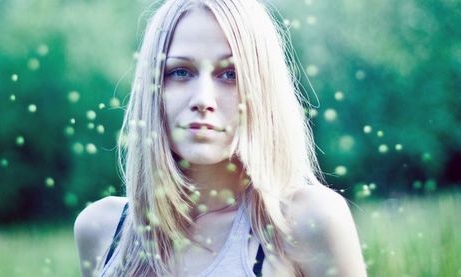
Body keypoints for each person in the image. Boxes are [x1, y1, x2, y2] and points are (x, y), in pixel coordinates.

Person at [74, 0, 367, 275]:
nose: (203, 99)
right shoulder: (102, 228)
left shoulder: (307, 222)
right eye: (180, 72)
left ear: (261, 88)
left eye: (230, 74)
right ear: (153, 89)